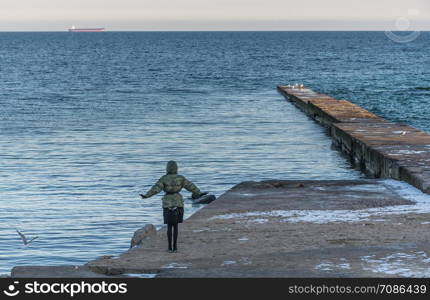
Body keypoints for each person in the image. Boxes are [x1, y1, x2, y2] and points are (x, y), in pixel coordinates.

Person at [140, 161, 206, 253]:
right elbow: (191, 186)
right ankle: (175, 247)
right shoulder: (181, 178)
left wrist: (146, 195)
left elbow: (155, 189)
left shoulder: (164, 179)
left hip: (167, 203)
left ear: (167, 168)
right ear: (176, 168)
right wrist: (199, 193)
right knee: (176, 227)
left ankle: (169, 248)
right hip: (178, 203)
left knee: (169, 227)